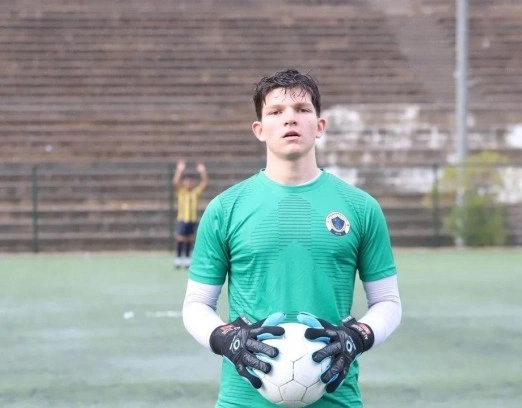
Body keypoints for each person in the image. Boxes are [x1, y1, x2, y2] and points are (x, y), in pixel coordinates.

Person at [181, 69, 402, 407]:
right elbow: (197, 304)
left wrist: (358, 337)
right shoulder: (225, 208)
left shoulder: (361, 207)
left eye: (301, 109)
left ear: (320, 125)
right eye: (276, 111)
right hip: (243, 400)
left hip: (337, 397)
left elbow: (387, 301)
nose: (290, 119)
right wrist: (225, 339)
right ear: (259, 129)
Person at [172, 159, 208, 268]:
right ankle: (178, 258)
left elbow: (205, 183)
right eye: (187, 181)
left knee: (189, 238)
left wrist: (202, 171)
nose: (189, 183)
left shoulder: (195, 192)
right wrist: (179, 170)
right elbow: (175, 183)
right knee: (180, 238)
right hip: (182, 218)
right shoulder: (181, 192)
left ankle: (187, 258)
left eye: (190, 182)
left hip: (192, 219)